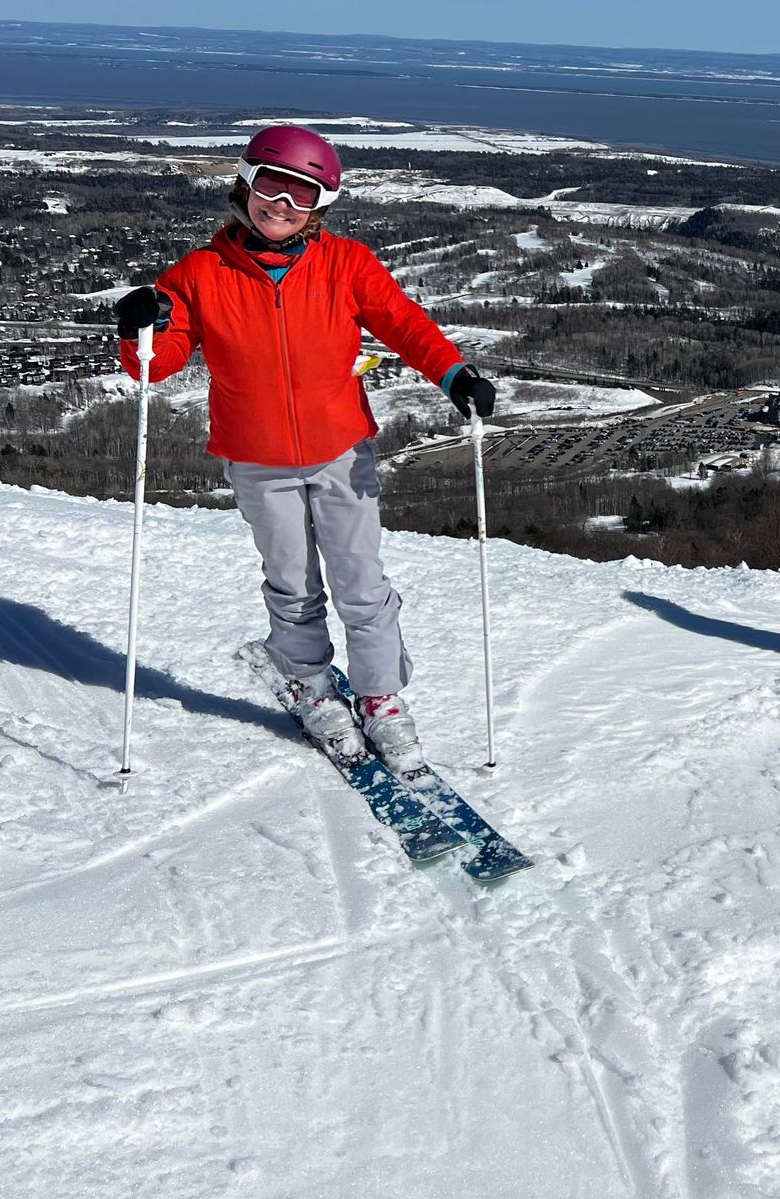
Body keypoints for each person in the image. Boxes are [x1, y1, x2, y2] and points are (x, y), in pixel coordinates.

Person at [113, 125, 498, 773]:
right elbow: (158, 362)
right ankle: (313, 686)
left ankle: (379, 697)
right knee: (292, 582)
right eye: (271, 187)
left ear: (320, 206)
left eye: (301, 195)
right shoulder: (199, 274)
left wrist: (454, 374)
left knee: (360, 580)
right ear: (245, 184)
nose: (282, 206)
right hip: (257, 460)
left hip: (341, 451)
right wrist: (139, 330)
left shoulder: (347, 264)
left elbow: (404, 323)